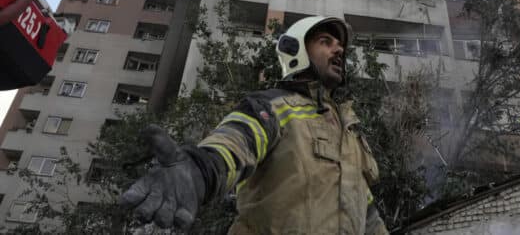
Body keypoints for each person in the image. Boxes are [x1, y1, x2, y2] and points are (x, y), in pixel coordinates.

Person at [120, 16, 389, 234]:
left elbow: (367, 213)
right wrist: (198, 170)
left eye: (340, 45)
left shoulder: (351, 134)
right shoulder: (274, 106)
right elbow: (235, 143)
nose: (339, 49)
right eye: (325, 41)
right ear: (298, 51)